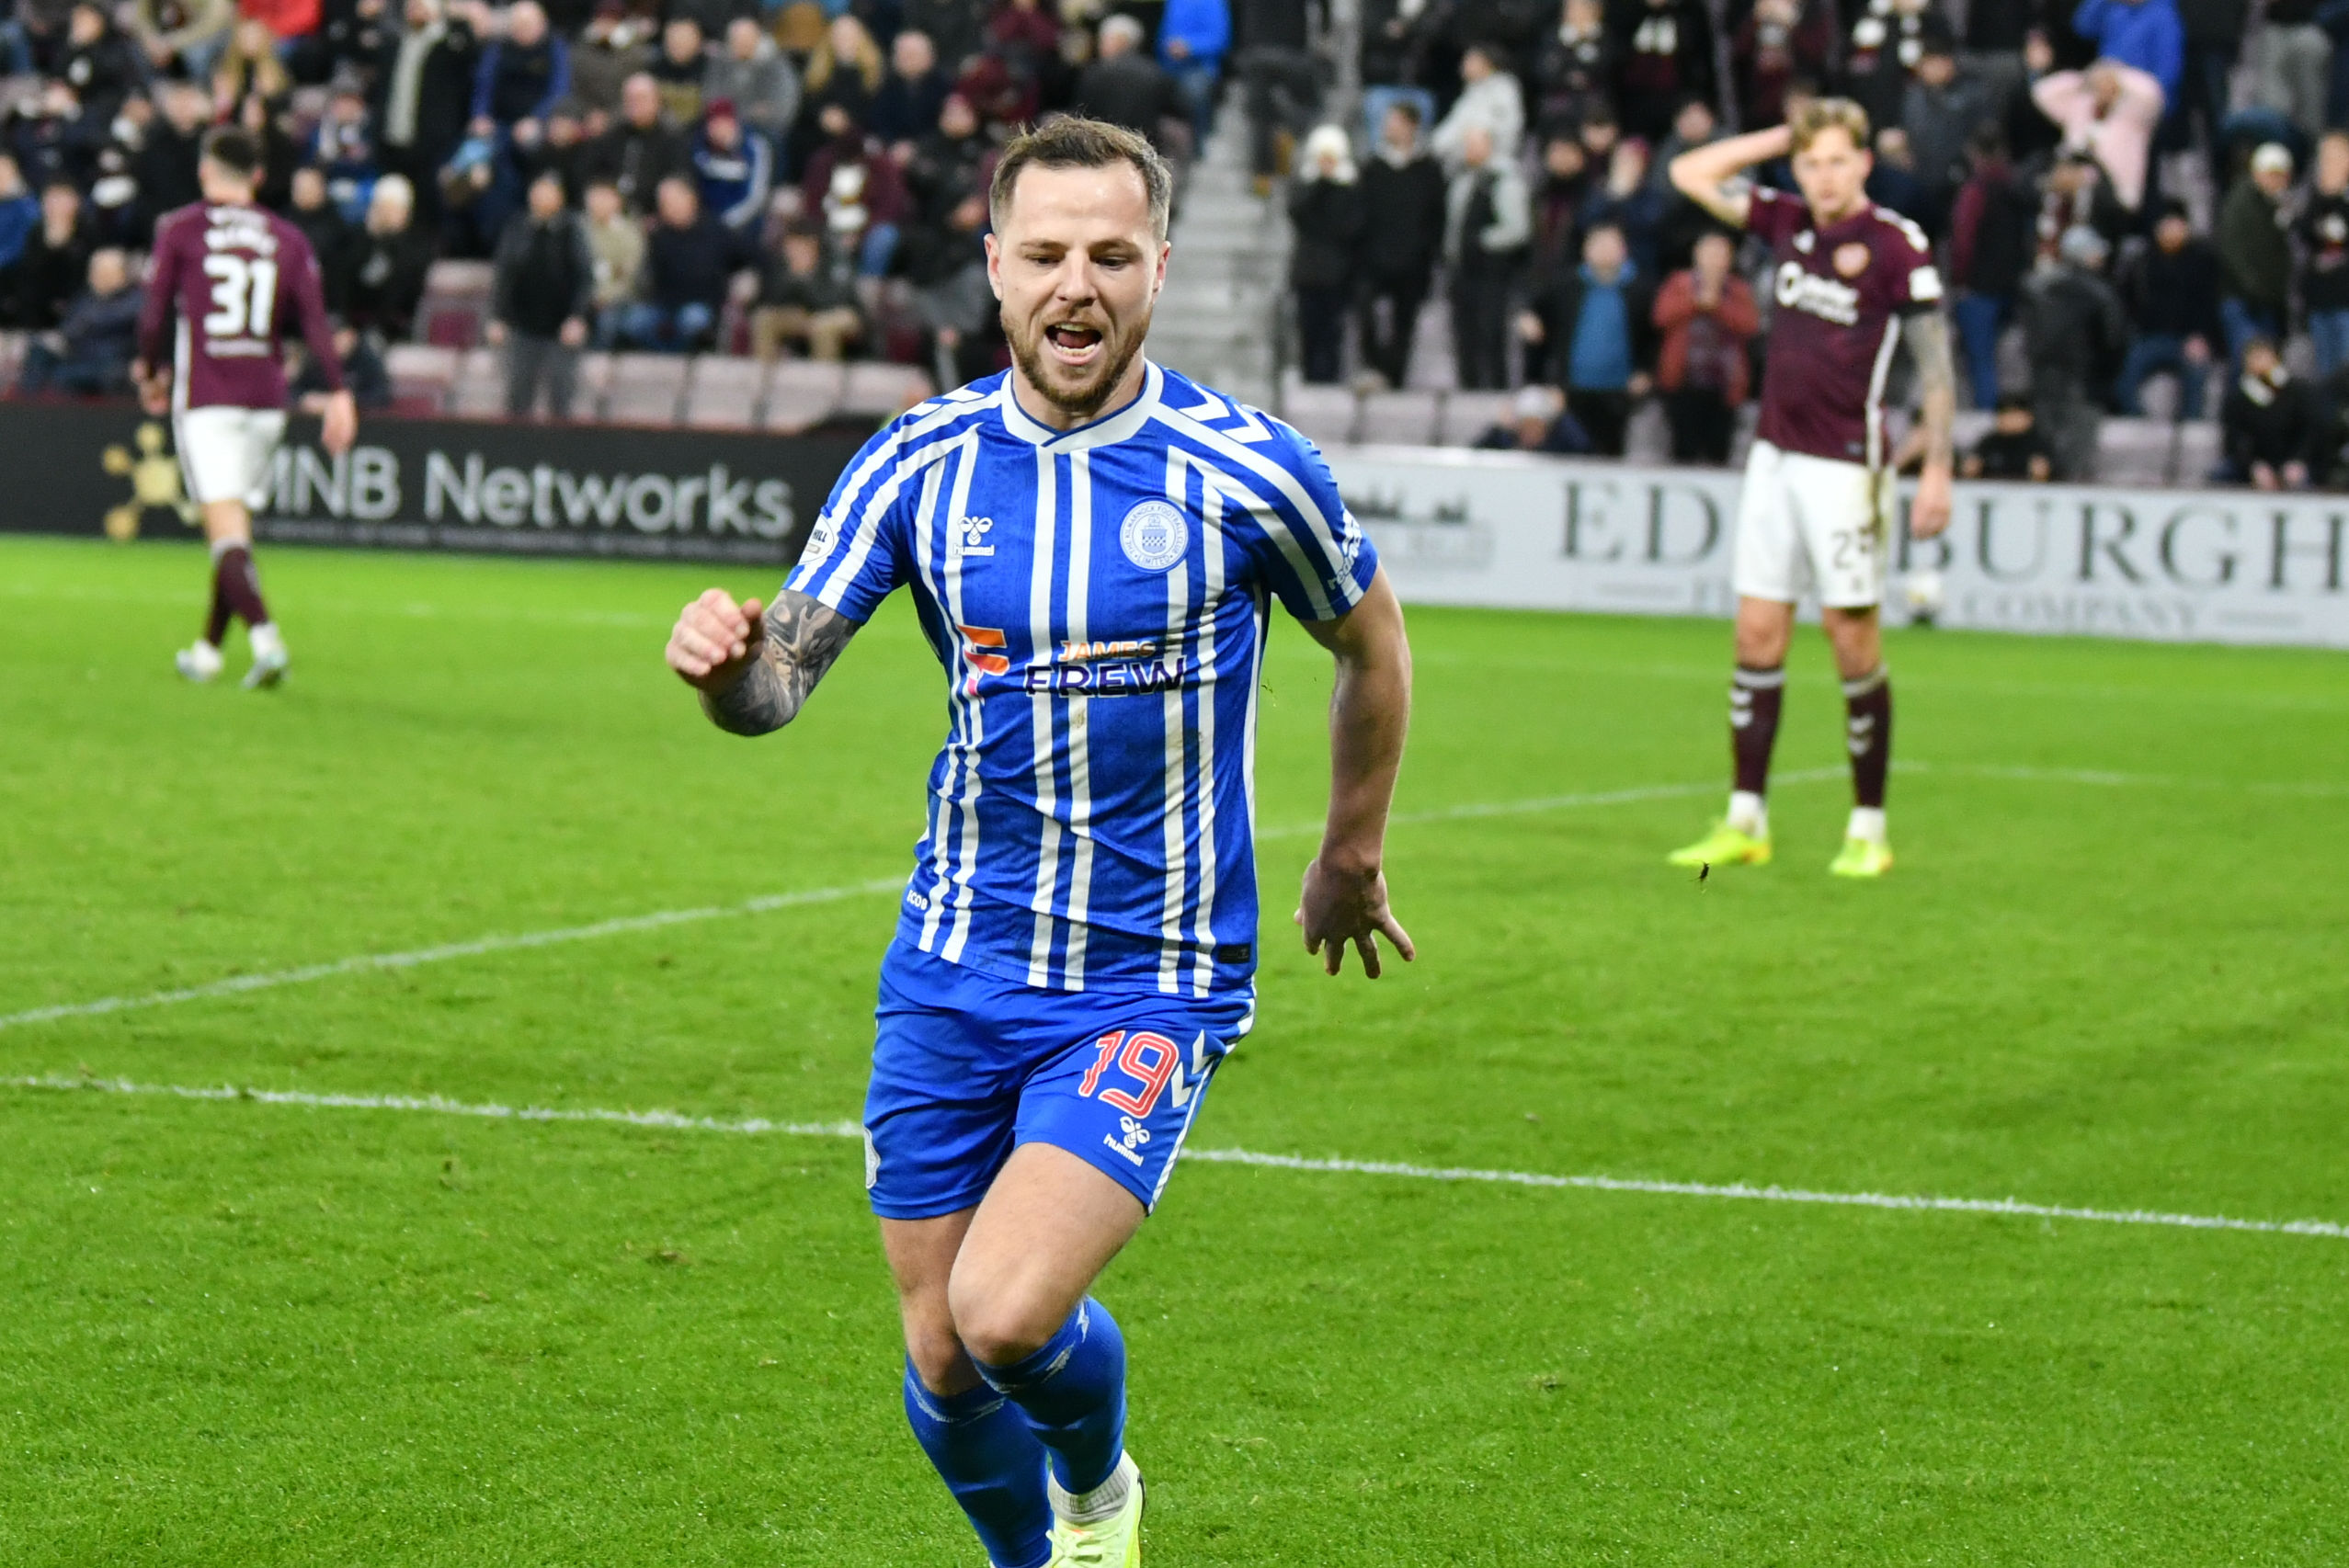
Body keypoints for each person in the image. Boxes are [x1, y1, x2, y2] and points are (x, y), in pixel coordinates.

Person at [661, 115, 1412, 1568]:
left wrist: (1348, 852)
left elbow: (1369, 642)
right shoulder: (915, 461)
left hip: (1151, 973)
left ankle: (1096, 1492)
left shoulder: (1247, 470)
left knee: (1006, 1312)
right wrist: (723, 671)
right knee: (943, 1356)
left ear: (1159, 270)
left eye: (1111, 256)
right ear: (995, 267)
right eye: (1048, 253)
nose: (1078, 285)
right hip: (953, 962)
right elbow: (777, 686)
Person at [1667, 95, 1957, 879]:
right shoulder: (1785, 220)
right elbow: (1689, 171)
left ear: (1862, 163)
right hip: (1773, 459)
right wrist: (1776, 135)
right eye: (1809, 162)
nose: (1823, 176)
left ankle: (1868, 829)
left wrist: (1937, 465)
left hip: (1847, 468)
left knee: (1849, 639)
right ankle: (1745, 820)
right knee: (1755, 635)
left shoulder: (1895, 245)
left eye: (1835, 160)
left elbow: (1935, 367)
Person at [133, 126, 356, 690]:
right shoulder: (287, 237)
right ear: (257, 176)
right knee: (233, 528)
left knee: (224, 530)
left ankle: (266, 641)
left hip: (208, 398)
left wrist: (150, 370)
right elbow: (314, 320)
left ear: (205, 171)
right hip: (266, 401)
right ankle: (208, 651)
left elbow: (154, 313)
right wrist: (339, 390)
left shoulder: (181, 229)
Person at [1519, 221, 1653, 453]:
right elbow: (1534, 310)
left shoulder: (1640, 290)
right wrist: (1528, 319)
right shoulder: (1566, 285)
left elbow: (1652, 336)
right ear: (1585, 249)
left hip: (1618, 390)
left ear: (1623, 250)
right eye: (1598, 244)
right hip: (1571, 389)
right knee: (1573, 449)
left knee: (1610, 452)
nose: (1604, 251)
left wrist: (1645, 371)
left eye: (1610, 244)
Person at [2022, 222, 2126, 478]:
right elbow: (2114, 340)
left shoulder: (2039, 287)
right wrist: (2105, 377)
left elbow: (2031, 336)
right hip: (2085, 382)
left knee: (2046, 446)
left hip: (2044, 378)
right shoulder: (2099, 293)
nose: (2101, 257)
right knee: (2078, 452)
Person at [1356, 99, 1446, 390]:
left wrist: (1428, 252)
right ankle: (1373, 367)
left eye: (1394, 121)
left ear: (1411, 126)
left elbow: (1436, 216)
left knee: (1404, 320)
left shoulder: (1428, 169)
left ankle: (1396, 376)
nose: (1388, 127)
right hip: (1373, 257)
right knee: (1365, 309)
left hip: (1413, 261)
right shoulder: (1373, 168)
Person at [488, 168, 593, 417]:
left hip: (561, 326)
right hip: (522, 324)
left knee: (561, 395)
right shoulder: (517, 227)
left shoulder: (572, 230)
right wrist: (498, 317)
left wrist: (578, 317)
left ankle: (561, 441)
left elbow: (584, 277)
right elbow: (504, 275)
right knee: (518, 395)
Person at [1651, 228, 1758, 463]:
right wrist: (1696, 302)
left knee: (1719, 451)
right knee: (1682, 449)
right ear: (1696, 254)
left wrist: (1717, 306)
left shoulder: (1738, 289)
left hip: (1724, 385)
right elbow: (1661, 317)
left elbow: (1749, 325)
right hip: (1683, 381)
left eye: (1720, 254)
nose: (1713, 259)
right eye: (1709, 253)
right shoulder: (1679, 283)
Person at [2114, 197, 2221, 415]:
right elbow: (2127, 301)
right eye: (2167, 226)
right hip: (2148, 337)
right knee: (2124, 380)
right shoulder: (2142, 261)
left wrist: (2200, 335)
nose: (2172, 232)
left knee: (2197, 375)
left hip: (2187, 338)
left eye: (2177, 225)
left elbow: (2208, 303)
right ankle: (2138, 421)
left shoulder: (2202, 261)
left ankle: (2191, 425)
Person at [1443, 123, 1531, 391]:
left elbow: (1517, 229)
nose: (1468, 150)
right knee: (1464, 336)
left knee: (1491, 334)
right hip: (1462, 270)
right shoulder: (1462, 178)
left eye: (1475, 144)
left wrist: (1481, 241)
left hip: (1491, 272)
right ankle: (1468, 388)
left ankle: (1495, 390)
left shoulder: (1504, 178)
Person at [616, 174, 740, 351]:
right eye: (663, 203)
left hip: (702, 304)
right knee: (634, 321)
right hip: (664, 305)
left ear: (690, 199)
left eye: (672, 201)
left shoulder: (716, 230)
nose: (667, 207)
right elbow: (649, 278)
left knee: (693, 320)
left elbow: (748, 257)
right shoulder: (659, 236)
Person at [1288, 124, 1364, 384]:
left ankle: (1330, 379)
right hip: (1308, 273)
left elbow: (1349, 227)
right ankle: (1309, 378)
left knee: (1333, 333)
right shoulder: (1305, 186)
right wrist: (1320, 183)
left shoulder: (1350, 189)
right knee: (1308, 331)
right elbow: (1297, 214)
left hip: (1337, 274)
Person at [17, 246, 142, 396]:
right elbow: (68, 329)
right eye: (95, 271)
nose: (96, 276)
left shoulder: (135, 299)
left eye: (104, 272)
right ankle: (28, 400)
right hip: (78, 354)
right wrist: (54, 340)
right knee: (38, 350)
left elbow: (109, 322)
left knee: (64, 376)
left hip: (111, 361)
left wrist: (86, 321)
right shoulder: (86, 298)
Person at [2217, 142, 2294, 368]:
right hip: (2242, 297)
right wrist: (2254, 286)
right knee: (2248, 360)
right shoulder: (2240, 203)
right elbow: (2233, 250)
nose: (2277, 181)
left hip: (2267, 299)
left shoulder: (2279, 206)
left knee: (2269, 362)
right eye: (2272, 174)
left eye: (2281, 175)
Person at [751, 220, 865, 359]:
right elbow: (770, 300)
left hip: (843, 314)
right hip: (806, 314)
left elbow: (837, 300)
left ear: (812, 243)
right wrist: (792, 278)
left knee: (822, 325)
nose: (792, 251)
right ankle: (764, 371)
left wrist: (807, 278)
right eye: (790, 246)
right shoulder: (784, 261)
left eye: (798, 246)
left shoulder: (835, 259)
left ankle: (823, 372)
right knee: (764, 318)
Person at [2219, 335, 2317, 485]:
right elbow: (2234, 438)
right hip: (2252, 465)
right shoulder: (2238, 397)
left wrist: (2298, 461)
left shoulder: (2297, 391)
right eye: (2253, 357)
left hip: (2293, 463)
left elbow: (2308, 432)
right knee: (2221, 474)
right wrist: (2252, 465)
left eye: (2262, 356)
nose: (2258, 362)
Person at [1074, 14, 1184, 145]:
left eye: (1103, 40)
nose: (1099, 45)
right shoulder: (1156, 72)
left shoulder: (1095, 73)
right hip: (1147, 145)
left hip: (1104, 146)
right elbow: (1176, 112)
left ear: (1120, 41)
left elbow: (1080, 114)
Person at [2299, 130, 2349, 377]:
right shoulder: (2313, 197)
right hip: (2320, 297)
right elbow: (2303, 232)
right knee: (2325, 371)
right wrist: (2324, 196)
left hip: (2345, 298)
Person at [703, 15, 798, 142]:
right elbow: (711, 97)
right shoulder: (720, 62)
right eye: (737, 40)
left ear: (758, 38)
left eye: (747, 39)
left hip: (765, 131)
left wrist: (739, 116)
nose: (742, 44)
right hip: (723, 128)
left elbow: (782, 107)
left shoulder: (777, 65)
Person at [691, 98, 773, 233]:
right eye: (712, 124)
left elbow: (756, 198)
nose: (717, 129)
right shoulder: (699, 147)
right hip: (705, 223)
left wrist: (725, 223)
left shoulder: (754, 147)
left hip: (744, 225)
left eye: (723, 122)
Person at [1157, 0, 1229, 150]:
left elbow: (1220, 40)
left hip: (1199, 68)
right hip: (1168, 67)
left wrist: (1189, 47)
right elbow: (1164, 35)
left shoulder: (1212, 3)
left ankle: (1200, 150)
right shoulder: (1174, 3)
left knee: (1194, 96)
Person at [1472, 381, 1595, 451]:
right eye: (1527, 426)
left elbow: (1585, 448)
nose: (1531, 433)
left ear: (1547, 427)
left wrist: (1562, 416)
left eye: (1536, 426)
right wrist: (1498, 427)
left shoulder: (1559, 441)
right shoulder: (1506, 439)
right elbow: (1475, 451)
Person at [1961, 393, 2054, 479]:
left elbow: (2057, 475)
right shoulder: (1989, 443)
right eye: (2006, 413)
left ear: (2029, 417)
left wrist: (2044, 475)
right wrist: (1970, 470)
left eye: (2015, 414)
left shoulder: (2040, 445)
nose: (2010, 419)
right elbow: (1970, 469)